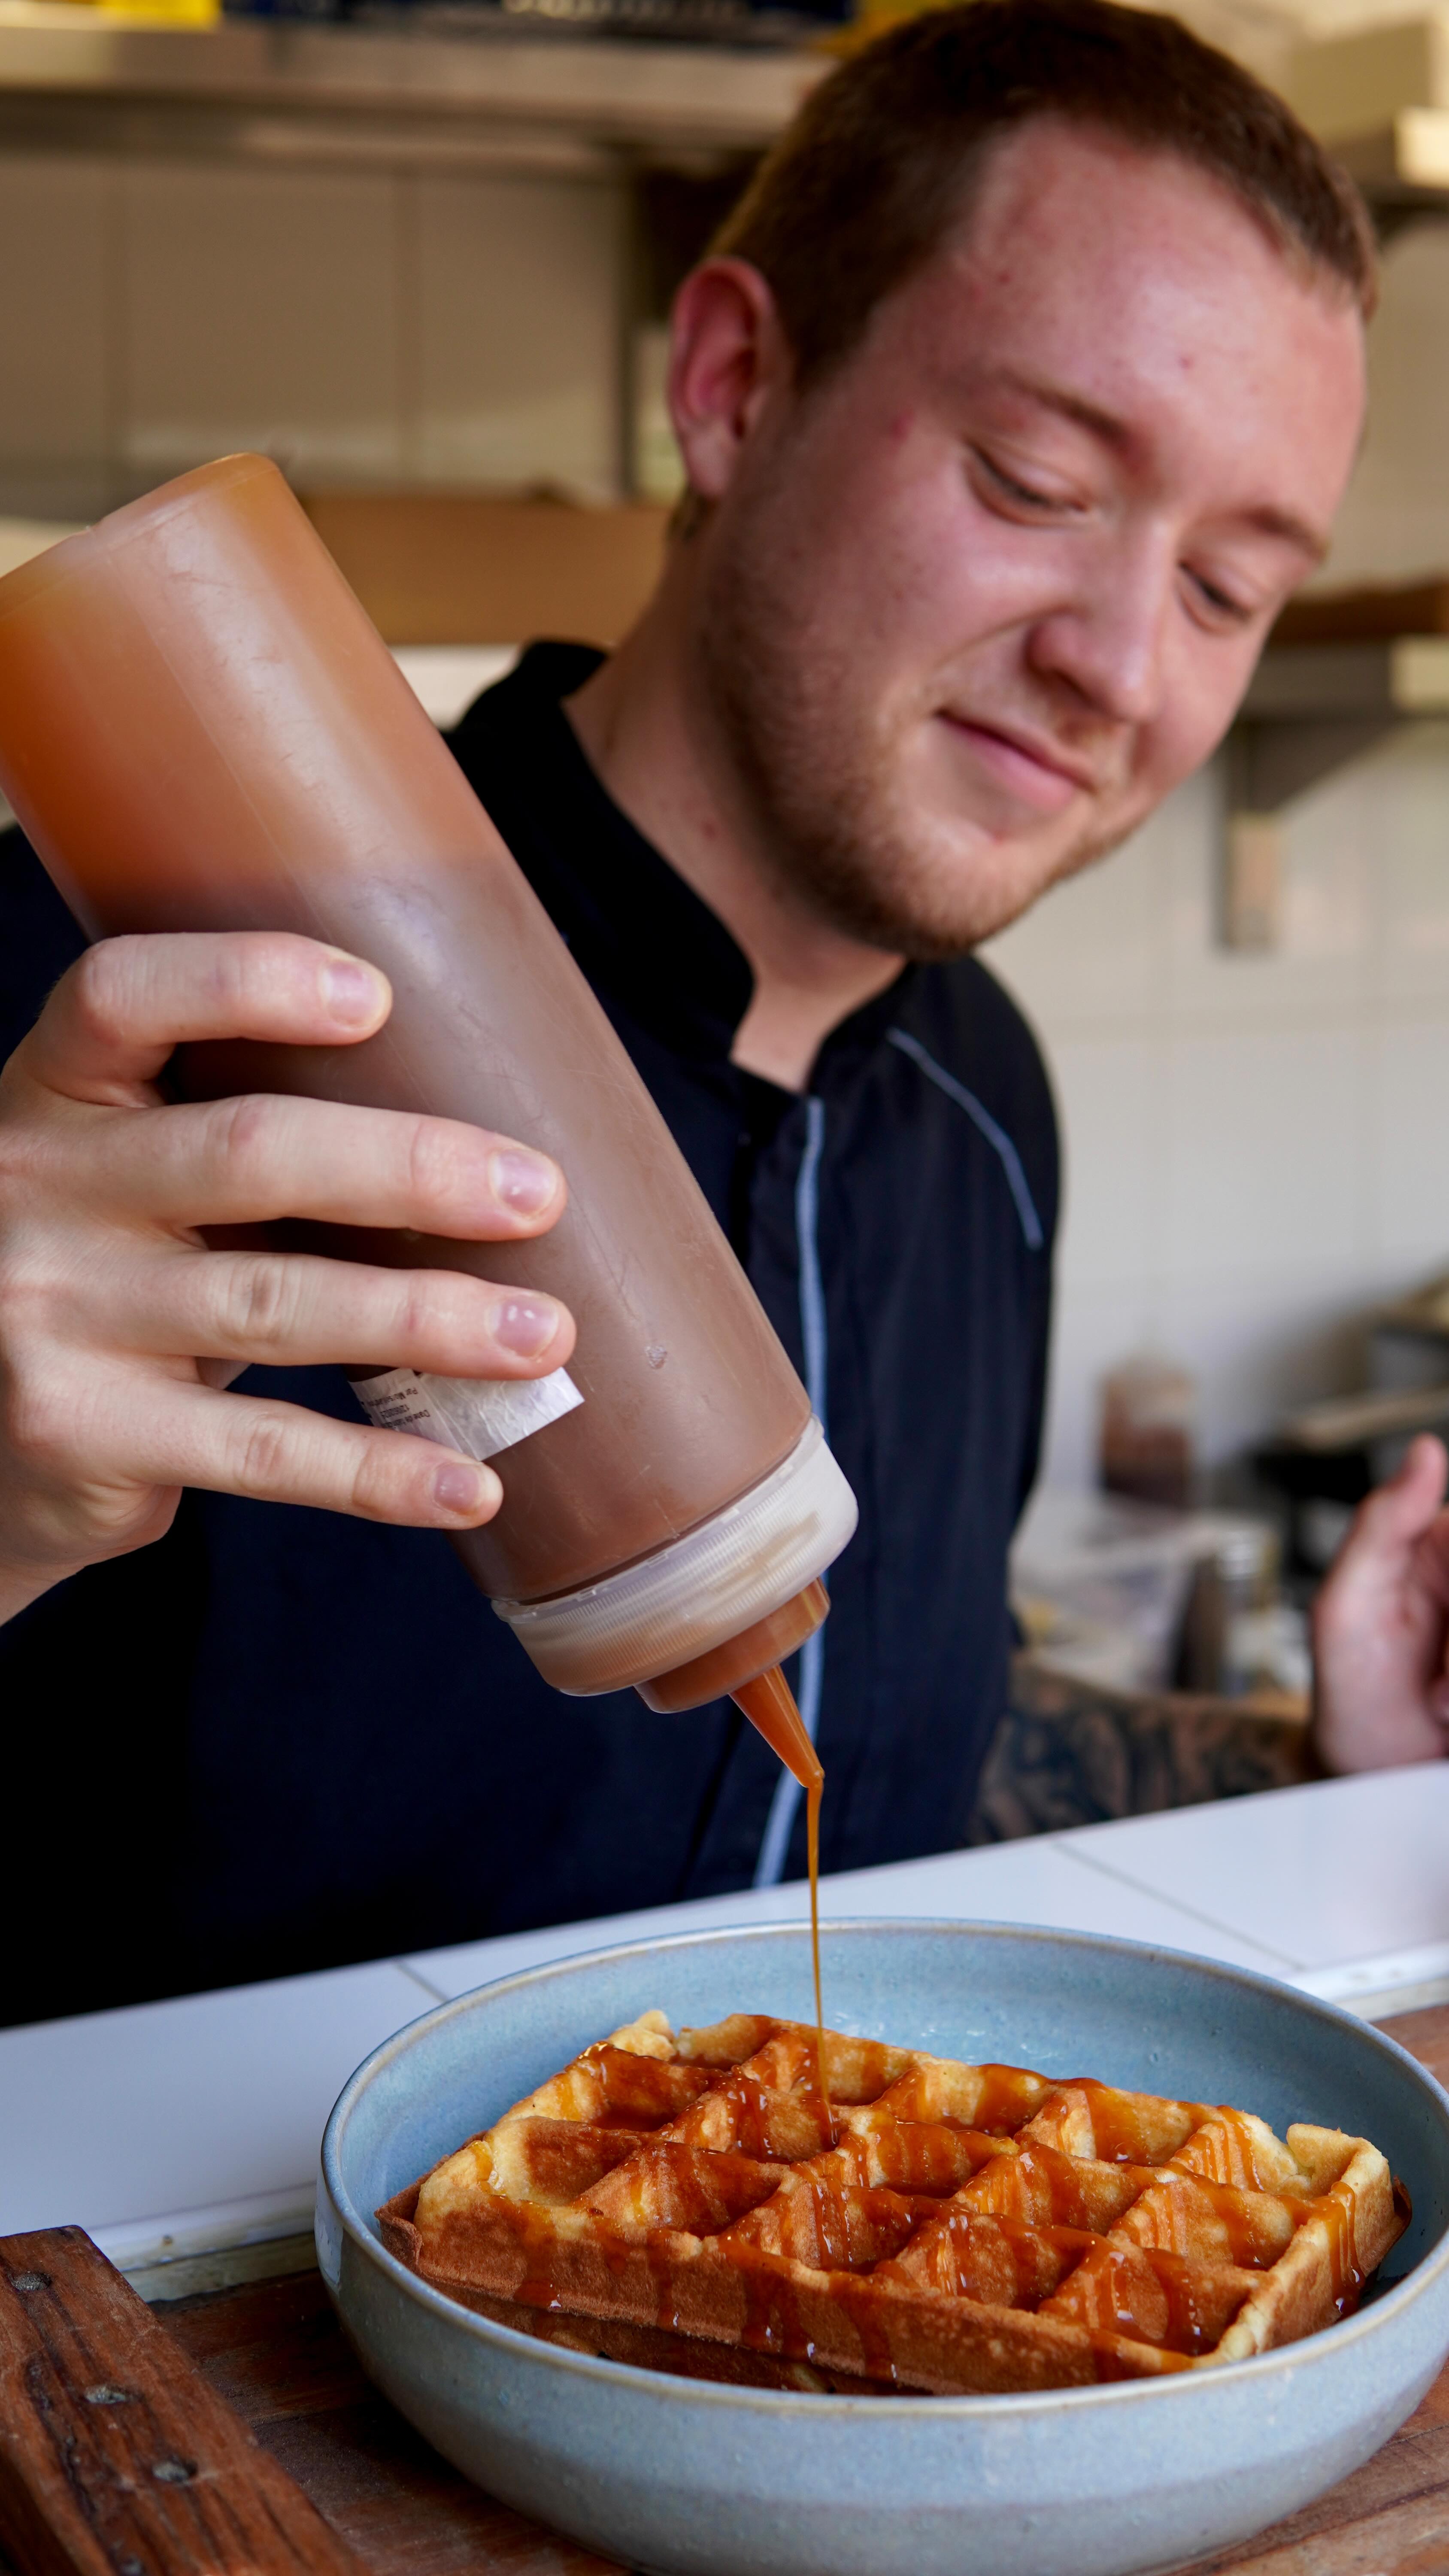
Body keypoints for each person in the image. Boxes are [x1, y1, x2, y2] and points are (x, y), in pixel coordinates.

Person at [0, 0, 1424, 2032]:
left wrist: (1324, 1769)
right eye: (1037, 478)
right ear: (741, 383)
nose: (1122, 664)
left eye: (1227, 591)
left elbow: (880, 1750)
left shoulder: (985, 1105)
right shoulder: (101, 1013)